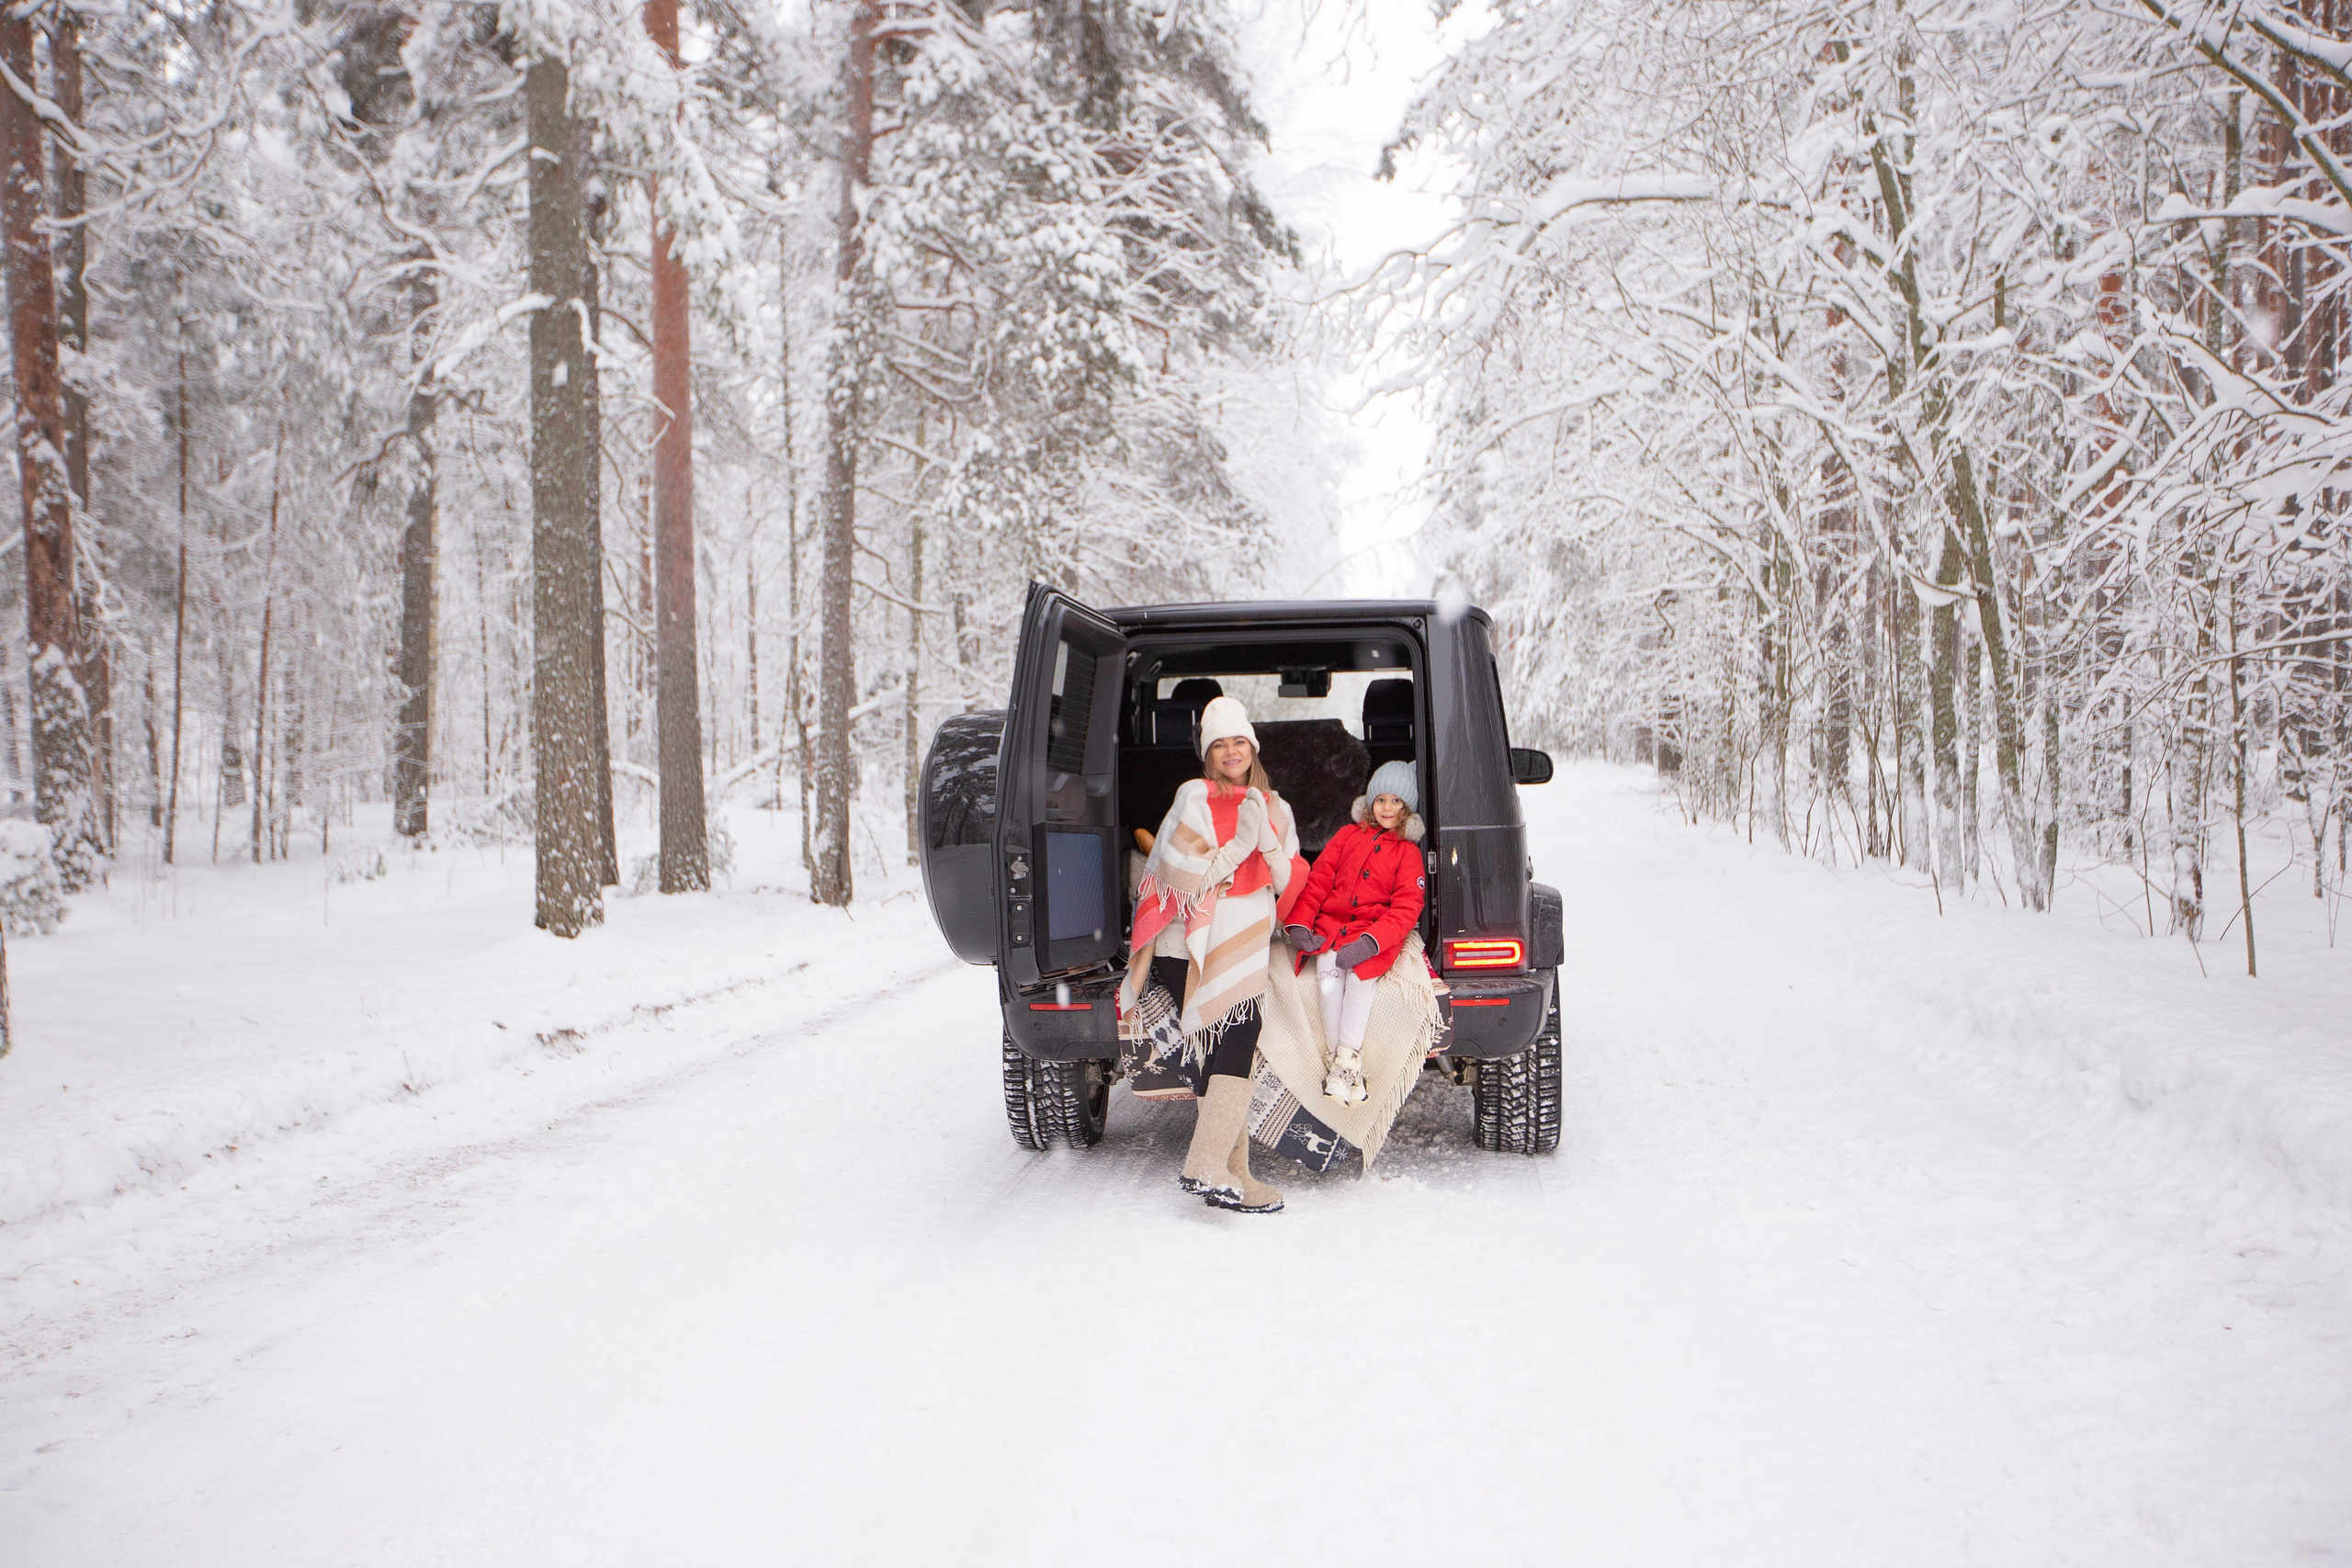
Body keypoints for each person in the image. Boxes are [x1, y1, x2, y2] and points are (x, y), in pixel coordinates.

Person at [1124, 695, 1306, 1213]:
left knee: (1233, 1043)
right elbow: (1180, 877)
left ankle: (1231, 1172)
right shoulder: (1193, 798)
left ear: (1253, 746)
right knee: (1224, 1042)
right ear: (1208, 753)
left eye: (1239, 741)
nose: (1231, 752)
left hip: (1246, 938)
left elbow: (1290, 882)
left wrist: (1266, 844)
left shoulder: (1276, 807)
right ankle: (1212, 1165)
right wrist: (1236, 847)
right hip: (1189, 943)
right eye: (1220, 744)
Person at [1282, 760, 1426, 1104]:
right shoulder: (1347, 836)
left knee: (1359, 982)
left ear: (1406, 808)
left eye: (1396, 802)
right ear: (1369, 802)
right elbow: (1318, 881)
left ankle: (1343, 1063)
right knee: (1329, 984)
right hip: (1332, 929)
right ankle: (1346, 1068)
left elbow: (1407, 907)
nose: (1387, 808)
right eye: (1380, 800)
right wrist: (1301, 923)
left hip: (1371, 935)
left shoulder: (1408, 852)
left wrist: (1370, 942)